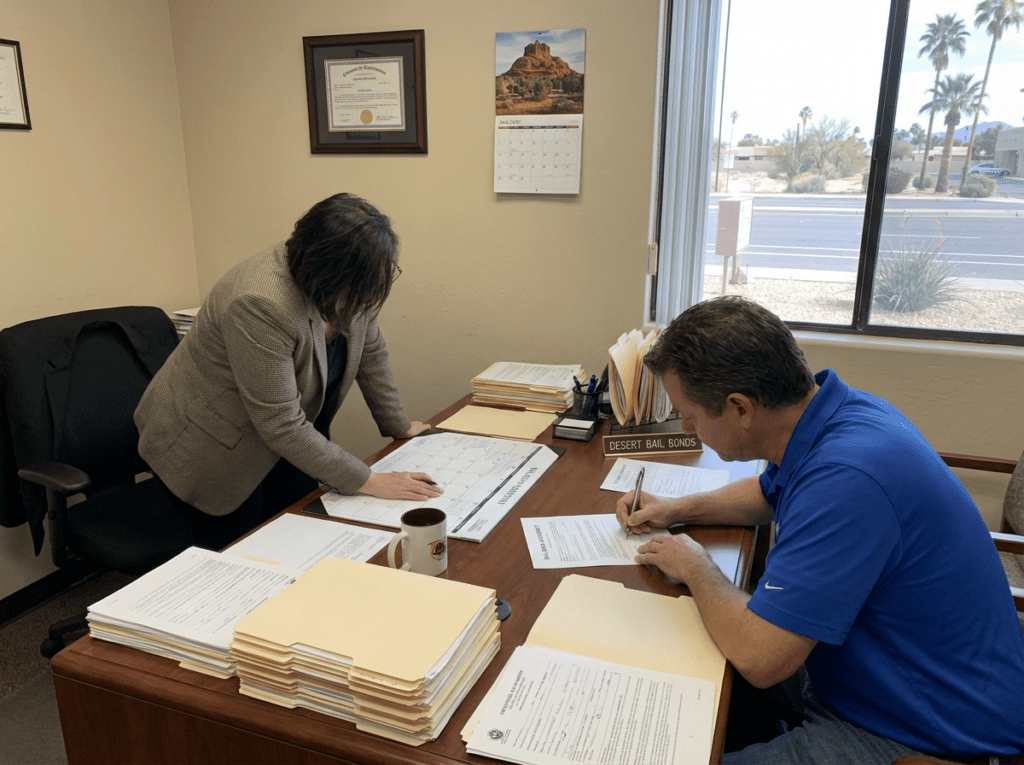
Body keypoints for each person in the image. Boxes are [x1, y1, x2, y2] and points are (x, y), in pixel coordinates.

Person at [616, 295, 1024, 763]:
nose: (687, 428)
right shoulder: (835, 417)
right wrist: (674, 508)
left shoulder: (848, 480)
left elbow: (762, 658)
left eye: (689, 416)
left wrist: (696, 566)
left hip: (924, 730)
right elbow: (769, 493)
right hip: (871, 668)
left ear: (740, 408)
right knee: (684, 658)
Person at [136, 193, 441, 550]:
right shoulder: (261, 302)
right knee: (242, 559)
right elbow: (281, 424)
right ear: (328, 271)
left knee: (299, 539)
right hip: (213, 446)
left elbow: (370, 351)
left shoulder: (347, 277)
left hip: (283, 438)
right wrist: (371, 480)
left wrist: (399, 426)